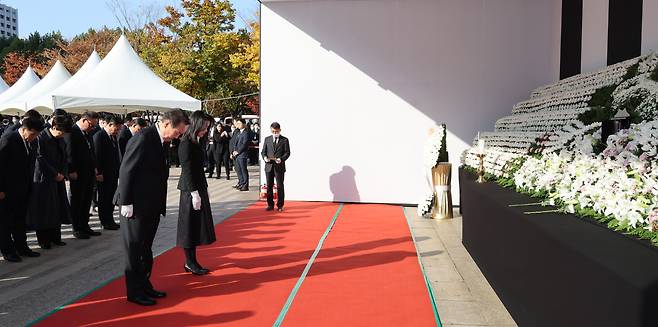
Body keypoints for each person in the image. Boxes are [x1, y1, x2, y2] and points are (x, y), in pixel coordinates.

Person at [115, 109, 189, 306]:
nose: (178, 136)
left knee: (145, 249)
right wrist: (126, 202)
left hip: (151, 205)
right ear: (166, 124)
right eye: (177, 132)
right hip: (135, 205)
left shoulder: (161, 140)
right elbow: (127, 169)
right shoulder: (143, 138)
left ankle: (145, 285)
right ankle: (134, 292)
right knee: (134, 250)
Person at [0, 115, 45, 262]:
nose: (34, 137)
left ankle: (22, 247)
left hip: (23, 188)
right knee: (5, 222)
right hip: (6, 191)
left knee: (20, 220)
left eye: (37, 135)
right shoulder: (8, 139)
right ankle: (7, 250)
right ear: (24, 129)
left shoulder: (33, 141)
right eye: (32, 134)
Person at [177, 111, 216, 275]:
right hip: (189, 190)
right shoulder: (185, 143)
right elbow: (187, 170)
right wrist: (194, 193)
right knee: (189, 227)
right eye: (205, 127)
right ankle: (190, 262)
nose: (206, 130)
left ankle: (192, 261)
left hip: (198, 187)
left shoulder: (196, 141)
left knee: (196, 226)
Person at [27, 114, 73, 249]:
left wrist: (63, 173)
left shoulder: (60, 140)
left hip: (58, 179)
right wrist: (54, 174)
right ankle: (44, 240)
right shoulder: (41, 138)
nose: (62, 135)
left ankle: (56, 237)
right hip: (43, 179)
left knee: (57, 209)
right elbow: (39, 159)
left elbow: (65, 158)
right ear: (53, 127)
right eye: (61, 132)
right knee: (44, 210)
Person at [64, 111, 101, 239]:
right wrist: (71, 170)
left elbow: (92, 151)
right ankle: (77, 228)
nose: (93, 128)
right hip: (78, 173)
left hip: (89, 172)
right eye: (91, 125)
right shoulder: (72, 132)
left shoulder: (88, 132)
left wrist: (95, 167)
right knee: (77, 200)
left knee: (86, 200)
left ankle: (85, 225)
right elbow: (69, 153)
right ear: (85, 120)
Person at [94, 115, 123, 230]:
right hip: (103, 174)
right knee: (104, 198)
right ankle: (104, 221)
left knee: (111, 197)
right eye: (117, 128)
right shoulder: (99, 136)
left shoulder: (113, 137)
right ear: (110, 125)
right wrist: (98, 172)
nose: (118, 131)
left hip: (112, 173)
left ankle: (110, 219)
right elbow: (96, 156)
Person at [261, 122, 291, 212]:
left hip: (279, 166)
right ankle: (270, 204)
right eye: (273, 131)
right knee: (269, 186)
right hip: (269, 166)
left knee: (279, 186)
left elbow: (287, 153)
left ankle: (280, 205)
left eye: (276, 131)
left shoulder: (284, 140)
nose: (275, 133)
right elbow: (263, 152)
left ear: (279, 130)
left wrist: (281, 159)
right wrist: (265, 158)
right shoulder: (267, 139)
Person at [232, 118, 251, 191]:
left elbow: (244, 144)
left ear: (244, 124)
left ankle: (245, 185)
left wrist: (238, 151)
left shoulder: (245, 133)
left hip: (242, 154)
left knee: (243, 170)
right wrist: (234, 151)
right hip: (237, 155)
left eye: (240, 123)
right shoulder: (239, 132)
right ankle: (241, 183)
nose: (238, 125)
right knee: (238, 169)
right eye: (237, 123)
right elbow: (235, 143)